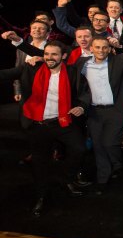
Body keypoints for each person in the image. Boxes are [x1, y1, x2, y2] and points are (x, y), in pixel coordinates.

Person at [0, 38, 87, 217]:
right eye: (46, 54)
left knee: (78, 149)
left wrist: (81, 106)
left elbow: (84, 93)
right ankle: (41, 197)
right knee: (40, 163)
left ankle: (66, 179)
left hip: (63, 122)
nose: (49, 58)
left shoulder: (73, 72)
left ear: (63, 56)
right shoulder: (30, 68)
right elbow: (5, 74)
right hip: (38, 124)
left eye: (54, 54)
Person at [77, 37, 123, 192]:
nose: (101, 50)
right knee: (99, 146)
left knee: (109, 143)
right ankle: (103, 178)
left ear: (109, 49)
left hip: (115, 110)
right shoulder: (82, 64)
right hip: (94, 112)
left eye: (104, 47)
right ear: (91, 48)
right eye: (97, 47)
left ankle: (117, 164)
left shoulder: (119, 61)